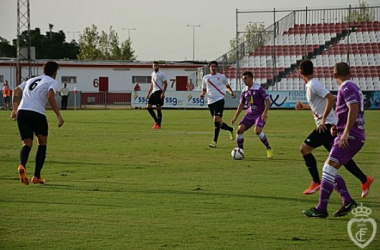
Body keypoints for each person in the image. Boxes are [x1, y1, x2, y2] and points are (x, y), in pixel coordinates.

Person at [296, 60, 373, 197]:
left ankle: (316, 182)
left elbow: (330, 99)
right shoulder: (311, 85)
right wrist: (305, 107)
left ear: (300, 73)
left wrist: (324, 119)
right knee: (340, 159)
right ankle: (364, 180)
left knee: (305, 149)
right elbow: (321, 104)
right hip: (330, 125)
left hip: (326, 125)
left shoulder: (313, 84)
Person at [11, 61, 64, 185]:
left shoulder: (31, 80)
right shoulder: (52, 81)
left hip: (22, 112)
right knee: (42, 142)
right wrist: (59, 115)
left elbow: (16, 91)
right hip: (37, 113)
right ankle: (36, 176)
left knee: (27, 144)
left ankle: (22, 165)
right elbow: (51, 97)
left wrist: (14, 110)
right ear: (55, 72)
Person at [231, 71, 273, 159]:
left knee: (257, 131)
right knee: (239, 130)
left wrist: (265, 113)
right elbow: (241, 104)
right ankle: (240, 151)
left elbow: (268, 100)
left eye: (245, 78)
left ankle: (268, 148)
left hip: (259, 114)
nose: (244, 81)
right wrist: (235, 117)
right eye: (243, 79)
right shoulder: (244, 90)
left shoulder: (258, 88)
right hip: (249, 114)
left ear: (251, 78)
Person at [201, 60, 236, 148]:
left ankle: (214, 141)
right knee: (219, 123)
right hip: (210, 102)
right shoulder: (205, 78)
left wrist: (231, 92)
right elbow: (204, 89)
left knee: (216, 119)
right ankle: (230, 129)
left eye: (214, 66)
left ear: (216, 67)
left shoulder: (221, 77)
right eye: (211, 66)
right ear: (209, 68)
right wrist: (203, 94)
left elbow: (227, 86)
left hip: (219, 99)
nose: (213, 68)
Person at [146, 61, 168, 129]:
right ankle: (156, 121)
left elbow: (165, 84)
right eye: (154, 65)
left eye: (157, 65)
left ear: (159, 66)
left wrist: (163, 93)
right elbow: (152, 84)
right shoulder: (152, 74)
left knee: (158, 108)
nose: (155, 67)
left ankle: (159, 124)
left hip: (159, 92)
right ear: (152, 67)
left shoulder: (161, 74)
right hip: (153, 92)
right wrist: (148, 93)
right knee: (148, 107)